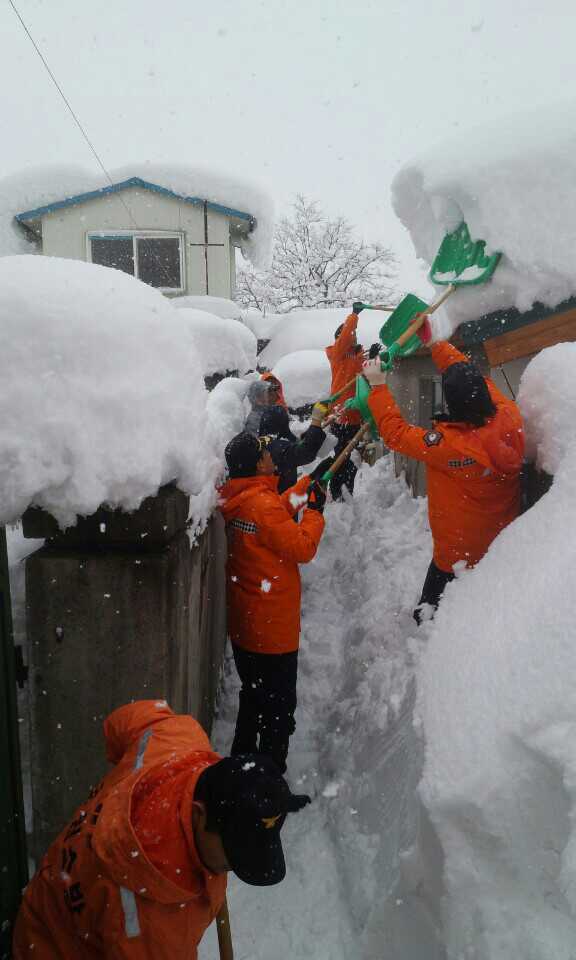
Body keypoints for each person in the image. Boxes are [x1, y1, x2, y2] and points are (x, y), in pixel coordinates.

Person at [13, 700, 310, 960]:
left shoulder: (177, 739)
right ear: (199, 814)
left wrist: (123, 780)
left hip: (52, 888)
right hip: (49, 946)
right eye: (233, 853)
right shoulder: (154, 927)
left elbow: (123, 722)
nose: (233, 867)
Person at [363, 341, 524, 621]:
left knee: (428, 616)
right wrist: (434, 342)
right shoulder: (509, 416)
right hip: (500, 544)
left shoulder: (448, 447)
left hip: (457, 555)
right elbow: (469, 375)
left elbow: (395, 433)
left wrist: (378, 386)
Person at [219, 432, 326, 773]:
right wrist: (314, 512)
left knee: (253, 700)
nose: (270, 455)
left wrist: (307, 484)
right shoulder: (261, 506)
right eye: (264, 452)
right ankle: (269, 783)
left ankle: (241, 773)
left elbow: (274, 516)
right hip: (272, 630)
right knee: (278, 712)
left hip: (248, 624)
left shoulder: (243, 498)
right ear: (257, 464)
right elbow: (302, 547)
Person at [325, 304, 366, 500]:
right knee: (342, 457)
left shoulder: (354, 357)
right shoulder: (337, 354)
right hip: (341, 414)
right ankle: (336, 492)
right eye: (351, 335)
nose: (354, 337)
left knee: (348, 457)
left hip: (354, 414)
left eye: (355, 335)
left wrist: (374, 356)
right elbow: (346, 337)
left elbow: (365, 375)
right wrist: (354, 315)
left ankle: (346, 492)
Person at [259, 400, 328, 493]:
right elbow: (306, 453)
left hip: (274, 494)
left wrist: (310, 433)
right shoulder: (277, 448)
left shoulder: (264, 441)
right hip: (280, 497)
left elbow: (294, 442)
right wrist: (316, 421)